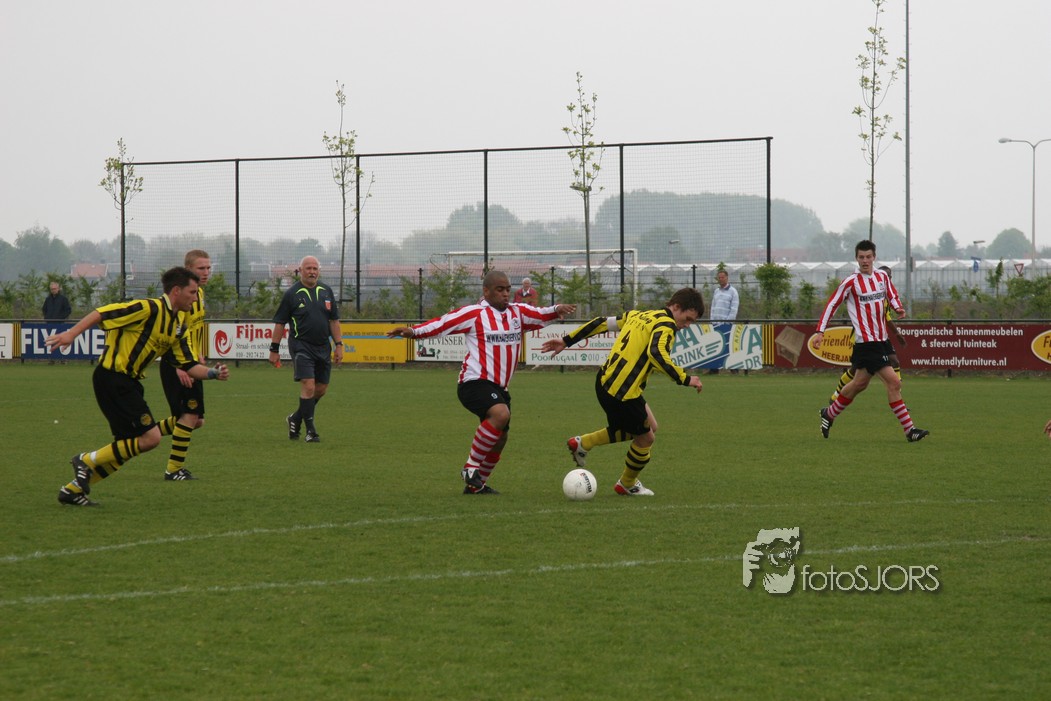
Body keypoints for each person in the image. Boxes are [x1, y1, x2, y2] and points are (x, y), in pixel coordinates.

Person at [44, 267, 230, 506]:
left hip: (129, 382)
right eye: (192, 293)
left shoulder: (178, 325)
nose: (196, 299)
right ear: (176, 291)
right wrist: (71, 334)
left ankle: (72, 491)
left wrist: (213, 373)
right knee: (150, 438)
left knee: (127, 447)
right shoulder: (148, 308)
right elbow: (102, 312)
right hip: (112, 378)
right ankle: (85, 459)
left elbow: (189, 364)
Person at [387, 270, 575, 494]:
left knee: (501, 438)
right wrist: (412, 331)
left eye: (508, 289)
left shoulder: (517, 312)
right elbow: (441, 324)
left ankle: (476, 486)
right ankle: (470, 468)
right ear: (486, 291)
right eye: (499, 289)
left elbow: (541, 314)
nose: (505, 294)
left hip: (500, 387)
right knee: (500, 415)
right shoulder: (474, 314)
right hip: (474, 382)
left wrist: (557, 309)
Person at [541, 288, 705, 496]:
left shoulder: (638, 315)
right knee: (646, 439)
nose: (687, 325)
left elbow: (600, 322)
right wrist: (685, 379)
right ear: (676, 307)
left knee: (650, 426)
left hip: (606, 382)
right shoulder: (666, 324)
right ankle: (626, 484)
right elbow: (656, 354)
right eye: (687, 319)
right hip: (621, 393)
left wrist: (567, 340)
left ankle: (582, 443)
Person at [812, 240, 928, 442]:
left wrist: (898, 307)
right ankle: (910, 430)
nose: (865, 261)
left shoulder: (882, 277)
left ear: (874, 257)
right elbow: (832, 304)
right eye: (861, 257)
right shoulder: (851, 282)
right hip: (866, 343)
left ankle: (829, 414)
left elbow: (891, 294)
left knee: (859, 384)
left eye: (868, 257)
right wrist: (820, 331)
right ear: (856, 259)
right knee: (894, 382)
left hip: (881, 340)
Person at [268, 256, 343, 442]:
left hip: (323, 346)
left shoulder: (326, 291)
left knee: (321, 388)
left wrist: (339, 345)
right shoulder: (291, 294)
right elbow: (280, 323)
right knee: (308, 385)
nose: (312, 272)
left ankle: (295, 418)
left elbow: (334, 320)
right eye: (308, 268)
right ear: (300, 271)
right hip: (301, 345)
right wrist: (274, 349)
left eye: (315, 268)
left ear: (319, 271)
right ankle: (311, 431)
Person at [156, 250, 212, 480]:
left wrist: (199, 353)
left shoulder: (199, 294)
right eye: (201, 268)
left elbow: (195, 328)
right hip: (178, 363)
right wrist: (181, 366)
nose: (206, 272)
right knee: (190, 415)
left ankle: (144, 432)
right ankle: (174, 469)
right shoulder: (181, 299)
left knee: (197, 420)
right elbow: (175, 333)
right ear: (188, 269)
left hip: (190, 361)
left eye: (208, 268)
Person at [829, 265, 905, 404]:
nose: (887, 279)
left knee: (894, 361)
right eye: (886, 276)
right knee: (855, 372)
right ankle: (836, 396)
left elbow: (885, 316)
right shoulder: (867, 290)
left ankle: (898, 393)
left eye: (889, 277)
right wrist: (897, 333)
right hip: (863, 337)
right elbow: (886, 317)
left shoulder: (886, 295)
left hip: (880, 337)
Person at [708, 269, 741, 374]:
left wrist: (727, 322)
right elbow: (713, 307)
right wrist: (712, 320)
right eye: (719, 277)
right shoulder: (716, 291)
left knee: (728, 347)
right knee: (715, 347)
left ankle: (734, 369)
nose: (721, 279)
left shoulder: (733, 291)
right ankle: (714, 369)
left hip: (726, 324)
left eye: (723, 277)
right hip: (716, 324)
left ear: (727, 278)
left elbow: (734, 309)